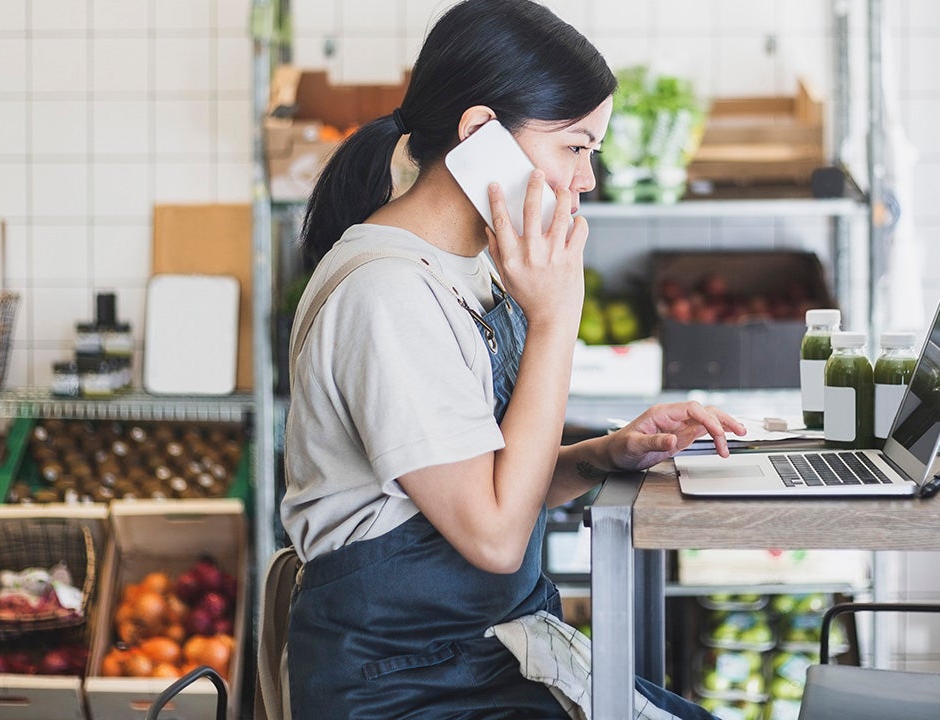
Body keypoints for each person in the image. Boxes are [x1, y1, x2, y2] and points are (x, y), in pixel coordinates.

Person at [281, 1, 744, 718]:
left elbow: (485, 484)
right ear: (479, 134)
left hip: (485, 653)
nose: (587, 178)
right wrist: (557, 316)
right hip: (406, 686)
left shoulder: (466, 269)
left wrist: (603, 455)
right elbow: (496, 538)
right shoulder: (388, 294)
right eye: (576, 147)